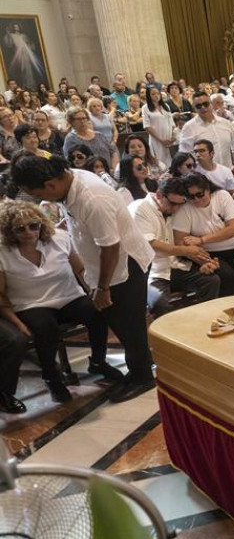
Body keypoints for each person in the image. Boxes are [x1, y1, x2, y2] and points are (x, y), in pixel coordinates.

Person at [10, 154, 156, 403]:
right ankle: (138, 368)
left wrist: (103, 287)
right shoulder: (69, 181)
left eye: (37, 194)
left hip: (124, 266)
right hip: (105, 267)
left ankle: (142, 378)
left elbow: (111, 247)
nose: (40, 199)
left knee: (129, 325)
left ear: (50, 184)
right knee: (120, 321)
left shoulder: (92, 198)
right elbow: (80, 223)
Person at [0, 201, 126, 405]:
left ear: (41, 224)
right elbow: (1, 296)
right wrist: (17, 323)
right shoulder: (3, 252)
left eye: (33, 225)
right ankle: (52, 377)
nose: (29, 232)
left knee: (97, 312)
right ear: (9, 231)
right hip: (31, 304)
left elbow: (80, 270)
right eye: (20, 229)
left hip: (68, 296)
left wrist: (94, 292)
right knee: (45, 327)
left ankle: (98, 361)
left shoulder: (59, 238)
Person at [130, 176, 219, 318]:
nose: (176, 208)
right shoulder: (141, 208)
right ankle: (169, 331)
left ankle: (203, 320)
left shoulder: (174, 210)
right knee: (160, 303)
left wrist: (202, 261)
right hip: (151, 272)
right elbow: (150, 245)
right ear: (159, 195)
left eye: (180, 204)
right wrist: (186, 250)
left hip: (174, 266)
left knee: (212, 281)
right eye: (172, 203)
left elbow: (182, 242)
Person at [171, 173, 234, 296]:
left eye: (200, 194)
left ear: (208, 189)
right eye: (191, 196)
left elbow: (233, 229)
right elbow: (180, 241)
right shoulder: (185, 208)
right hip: (209, 253)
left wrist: (202, 239)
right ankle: (226, 306)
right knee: (228, 277)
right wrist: (202, 259)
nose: (196, 200)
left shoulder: (222, 196)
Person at [178, 92, 234, 169]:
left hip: (227, 171)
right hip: (203, 174)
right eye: (198, 106)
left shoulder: (225, 123)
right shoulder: (189, 127)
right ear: (194, 108)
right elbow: (184, 155)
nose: (203, 107)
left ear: (211, 104)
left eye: (205, 104)